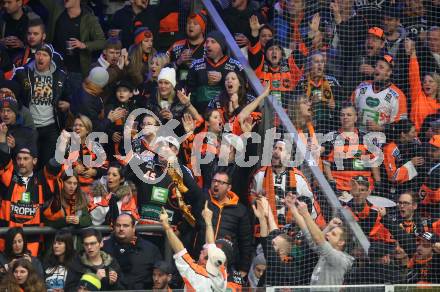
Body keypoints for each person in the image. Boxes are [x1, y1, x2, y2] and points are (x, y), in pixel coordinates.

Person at [0, 124, 61, 255]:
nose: (21, 162)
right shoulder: (9, 178)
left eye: (26, 159)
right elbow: (4, 160)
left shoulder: (41, 180)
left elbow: (53, 167)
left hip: (33, 246)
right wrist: (2, 138)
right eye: (19, 159)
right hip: (7, 245)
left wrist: (62, 148)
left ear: (34, 160)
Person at [13, 43, 70, 168]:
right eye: (38, 54)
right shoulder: (22, 73)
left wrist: (68, 104)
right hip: (29, 127)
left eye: (44, 55)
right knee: (27, 165)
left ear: (50, 58)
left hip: (51, 128)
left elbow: (69, 96)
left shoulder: (60, 76)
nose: (41, 57)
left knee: (47, 166)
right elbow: (11, 94)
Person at [250, 140, 324, 228]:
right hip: (265, 227)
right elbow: (251, 201)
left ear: (288, 156)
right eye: (275, 148)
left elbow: (311, 206)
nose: (276, 151)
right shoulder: (259, 175)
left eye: (280, 149)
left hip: (290, 231)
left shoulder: (299, 178)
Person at [288, 194, 354, 288]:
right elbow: (308, 233)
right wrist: (292, 207)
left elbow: (319, 239)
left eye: (333, 234)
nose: (327, 234)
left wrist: (306, 214)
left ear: (341, 242)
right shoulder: (325, 253)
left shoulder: (339, 258)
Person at [159, 206, 228, 291]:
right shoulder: (221, 272)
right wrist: (208, 221)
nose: (202, 250)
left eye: (204, 252)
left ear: (206, 261)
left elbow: (180, 251)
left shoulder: (197, 276)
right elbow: (211, 244)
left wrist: (166, 226)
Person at [198, 171, 253, 277]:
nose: (216, 184)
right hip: (201, 262)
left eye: (220, 182)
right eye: (214, 181)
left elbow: (245, 241)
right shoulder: (203, 200)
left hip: (226, 266)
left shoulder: (240, 210)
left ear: (229, 187)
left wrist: (244, 268)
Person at [252, 196, 315, 286]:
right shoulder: (288, 229)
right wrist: (267, 211)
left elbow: (266, 244)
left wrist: (262, 219)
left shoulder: (285, 268)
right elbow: (274, 232)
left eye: (273, 244)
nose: (271, 242)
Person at [39, 0, 106, 81]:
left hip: (76, 71)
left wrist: (84, 45)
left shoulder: (89, 18)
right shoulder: (57, 8)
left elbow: (102, 42)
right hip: (54, 68)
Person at [322, 103, 381, 193]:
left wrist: (378, 182)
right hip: (340, 188)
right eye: (342, 115)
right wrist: (331, 182)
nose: (345, 117)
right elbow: (326, 163)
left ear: (356, 118)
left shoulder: (367, 138)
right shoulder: (331, 137)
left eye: (349, 115)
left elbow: (374, 162)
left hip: (364, 189)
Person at [186, 30, 244, 112]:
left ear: (221, 45)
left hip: (227, 115)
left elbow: (242, 90)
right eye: (207, 42)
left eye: (213, 42)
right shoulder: (195, 65)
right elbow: (190, 91)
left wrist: (223, 78)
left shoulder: (235, 65)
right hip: (200, 114)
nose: (208, 45)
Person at [103, 213, 162, 289]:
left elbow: (161, 274)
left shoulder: (150, 249)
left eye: (125, 226)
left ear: (133, 228)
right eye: (118, 225)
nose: (121, 228)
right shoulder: (104, 247)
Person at [351, 54, 408, 133]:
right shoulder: (361, 87)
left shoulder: (398, 96)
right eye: (376, 66)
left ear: (389, 72)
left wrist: (381, 128)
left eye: (381, 67)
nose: (376, 69)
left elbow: (402, 126)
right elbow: (349, 109)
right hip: (357, 136)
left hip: (382, 140)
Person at [296, 51, 341, 132]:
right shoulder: (301, 83)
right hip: (309, 125)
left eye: (322, 62)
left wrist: (335, 105)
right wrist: (310, 102)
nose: (320, 64)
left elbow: (343, 103)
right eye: (316, 62)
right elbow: (295, 107)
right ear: (309, 65)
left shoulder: (333, 82)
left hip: (330, 125)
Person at [341, 176, 393, 242]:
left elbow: (364, 231)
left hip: (378, 244)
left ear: (368, 192)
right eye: (356, 190)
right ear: (351, 191)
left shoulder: (375, 210)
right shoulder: (344, 208)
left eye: (362, 190)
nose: (359, 193)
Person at [405, 38, 440, 133]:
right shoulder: (418, 95)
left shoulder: (438, 105)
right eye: (424, 82)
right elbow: (414, 74)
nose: (427, 83)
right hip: (413, 137)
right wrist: (413, 53)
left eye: (430, 81)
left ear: (437, 85)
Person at [382, 119, 424, 195]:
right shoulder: (390, 149)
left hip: (414, 184)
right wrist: (411, 164)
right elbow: (393, 178)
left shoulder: (415, 141)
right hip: (396, 189)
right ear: (403, 134)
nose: (415, 135)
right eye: (413, 132)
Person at [168, 11, 207, 82]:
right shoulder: (176, 45)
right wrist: (178, 62)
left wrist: (196, 65)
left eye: (195, 23)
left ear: (202, 28)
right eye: (189, 23)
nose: (191, 26)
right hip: (178, 88)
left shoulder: (209, 47)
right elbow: (163, 67)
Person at [419, 135, 440, 218]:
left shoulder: (436, 171)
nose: (429, 152)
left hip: (435, 214)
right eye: (430, 149)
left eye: (434, 150)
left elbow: (424, 198)